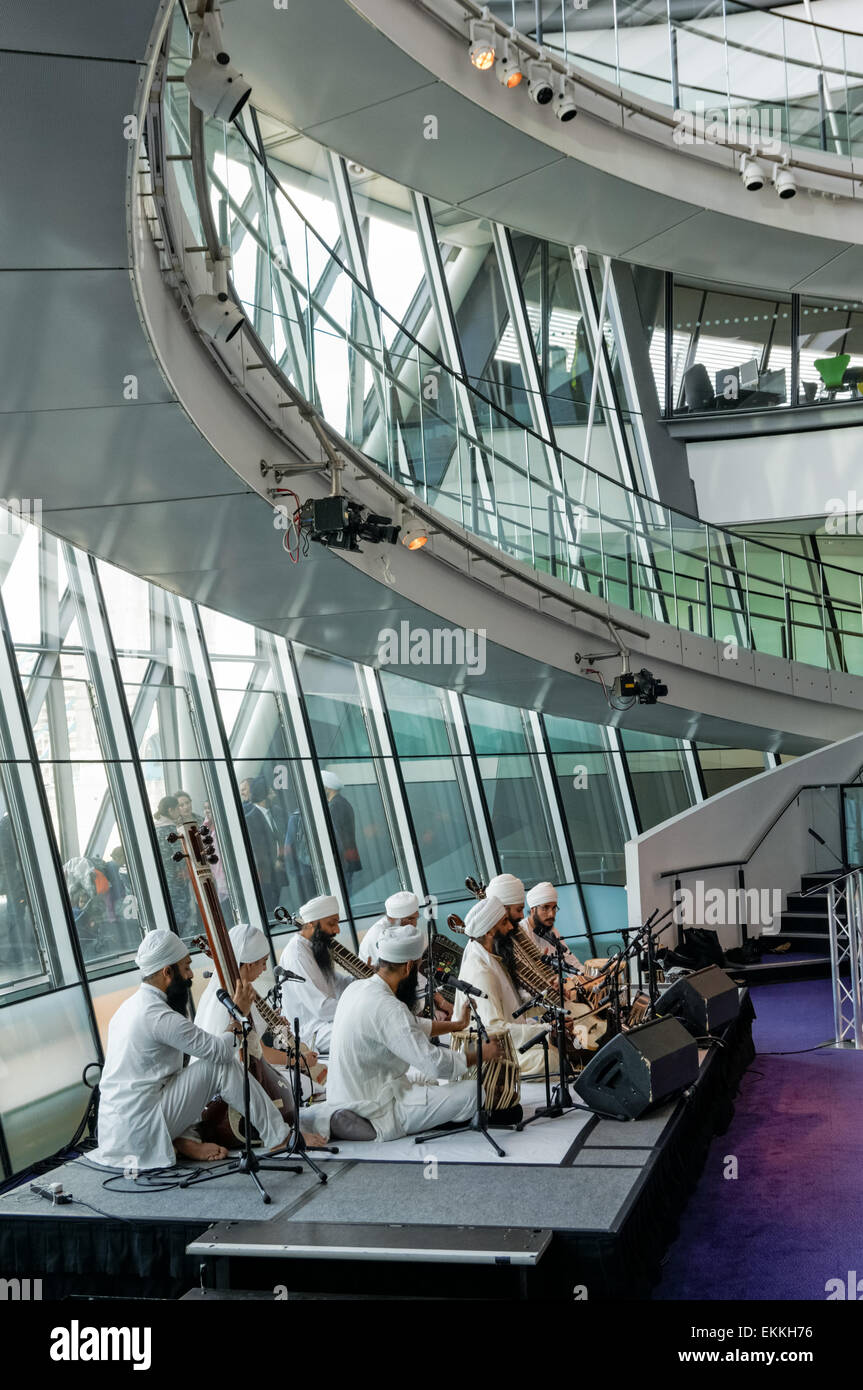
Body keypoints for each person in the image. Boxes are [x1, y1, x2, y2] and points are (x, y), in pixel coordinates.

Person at [90, 929, 333, 1170]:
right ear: (167, 972)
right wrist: (237, 1014)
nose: (190, 977)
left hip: (120, 1130)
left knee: (189, 1073)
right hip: (140, 1128)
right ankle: (280, 1137)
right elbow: (219, 1052)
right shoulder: (156, 1015)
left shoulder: (129, 1008)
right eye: (185, 968)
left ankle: (187, 1140)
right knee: (221, 1066)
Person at [326, 922, 511, 1141]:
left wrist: (457, 1024)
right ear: (408, 967)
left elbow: (409, 1023)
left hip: (353, 1092)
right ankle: (383, 1124)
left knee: (427, 1080)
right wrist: (481, 1055)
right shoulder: (388, 1006)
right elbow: (434, 1063)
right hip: (376, 1109)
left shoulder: (358, 988)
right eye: (419, 966)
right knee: (472, 1091)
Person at [195, 922, 325, 1106]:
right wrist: (300, 1061)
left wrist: (271, 1023)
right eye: (263, 962)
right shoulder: (237, 995)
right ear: (248, 964)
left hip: (239, 1073)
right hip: (239, 1081)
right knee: (314, 1088)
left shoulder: (227, 988)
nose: (265, 969)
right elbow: (260, 1055)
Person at [454, 896, 557, 1080]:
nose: (511, 927)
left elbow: (513, 1007)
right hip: (486, 1051)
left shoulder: (491, 957)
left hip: (504, 1041)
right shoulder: (481, 971)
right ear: (489, 932)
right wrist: (547, 1030)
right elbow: (494, 1029)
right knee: (548, 1057)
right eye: (504, 923)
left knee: (552, 1048)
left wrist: (550, 1010)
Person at [360, 890, 452, 1020]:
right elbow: (409, 972)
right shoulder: (380, 935)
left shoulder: (398, 928)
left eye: (415, 918)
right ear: (393, 919)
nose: (414, 924)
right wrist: (440, 1003)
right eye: (409, 919)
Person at [278, 894, 353, 1054]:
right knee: (363, 1030)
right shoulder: (296, 955)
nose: (337, 930)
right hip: (312, 1033)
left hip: (329, 1023)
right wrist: (360, 1007)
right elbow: (322, 1008)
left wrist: (369, 978)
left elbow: (338, 984)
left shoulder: (315, 947)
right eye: (331, 924)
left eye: (337, 923)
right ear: (311, 924)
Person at [244, 775, 286, 916]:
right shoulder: (250, 819)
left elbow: (281, 837)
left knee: (277, 904)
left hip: (280, 868)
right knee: (269, 908)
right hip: (266, 873)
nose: (274, 792)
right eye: (270, 790)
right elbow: (258, 850)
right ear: (264, 795)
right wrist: (274, 863)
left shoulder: (277, 812)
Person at [153, 795, 194, 937]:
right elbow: (180, 856)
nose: (180, 811)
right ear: (170, 810)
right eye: (177, 808)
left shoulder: (155, 830)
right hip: (176, 880)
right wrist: (184, 870)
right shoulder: (171, 830)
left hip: (162, 879)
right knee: (181, 915)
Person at [522, 882, 585, 973]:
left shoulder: (552, 932)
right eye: (545, 908)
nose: (551, 914)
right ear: (533, 909)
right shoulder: (522, 932)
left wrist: (593, 976)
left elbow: (571, 962)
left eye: (554, 908)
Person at [321, 771, 362, 887]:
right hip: (346, 857)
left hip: (343, 859)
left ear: (327, 787)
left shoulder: (335, 806)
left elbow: (335, 835)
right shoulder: (341, 803)